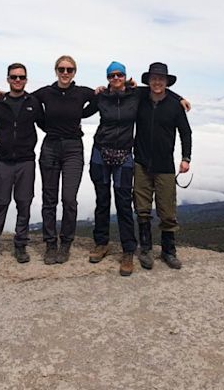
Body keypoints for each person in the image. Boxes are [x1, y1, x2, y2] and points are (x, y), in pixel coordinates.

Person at [83, 61, 189, 276]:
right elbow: (84, 113)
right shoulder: (110, 96)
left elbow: (164, 97)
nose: (116, 78)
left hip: (132, 157)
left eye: (119, 75)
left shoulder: (137, 95)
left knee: (129, 205)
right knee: (106, 201)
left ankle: (136, 251)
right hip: (106, 155)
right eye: (111, 75)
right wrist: (92, 94)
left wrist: (180, 99)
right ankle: (109, 245)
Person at [33, 56, 96, 265]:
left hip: (73, 149)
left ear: (75, 72)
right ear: (56, 70)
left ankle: (66, 243)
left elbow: (98, 100)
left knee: (69, 198)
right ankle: (51, 244)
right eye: (62, 69)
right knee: (49, 199)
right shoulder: (45, 93)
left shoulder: (81, 92)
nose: (65, 73)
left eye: (69, 69)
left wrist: (81, 114)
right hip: (50, 146)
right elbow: (26, 101)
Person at [0, 63, 44, 269]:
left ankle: (21, 245)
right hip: (3, 160)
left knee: (24, 203)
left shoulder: (33, 102)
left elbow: (44, 122)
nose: (17, 80)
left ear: (26, 79)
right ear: (8, 79)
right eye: (14, 77)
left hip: (26, 160)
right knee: (0, 203)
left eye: (21, 77)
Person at [133, 62, 192, 270]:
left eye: (161, 79)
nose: (157, 82)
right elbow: (127, 88)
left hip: (165, 165)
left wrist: (186, 158)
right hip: (141, 162)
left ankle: (169, 251)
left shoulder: (174, 106)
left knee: (167, 212)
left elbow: (186, 132)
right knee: (142, 209)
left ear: (167, 82)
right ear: (148, 81)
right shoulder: (140, 98)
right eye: (154, 78)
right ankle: (146, 250)